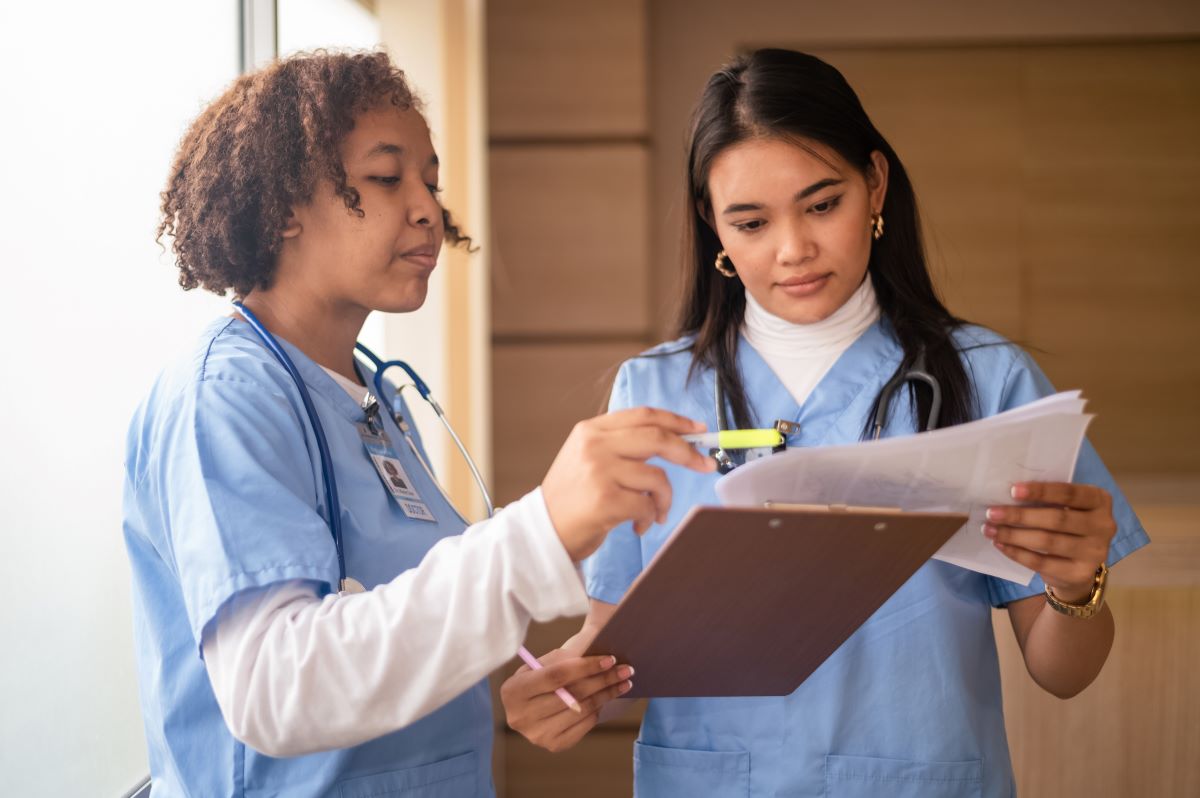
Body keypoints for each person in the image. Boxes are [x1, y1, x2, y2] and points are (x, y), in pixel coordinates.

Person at [501, 48, 1149, 797]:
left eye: (821, 204)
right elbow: (610, 643)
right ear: (714, 226)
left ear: (874, 184)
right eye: (750, 222)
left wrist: (1076, 585)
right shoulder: (651, 391)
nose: (793, 249)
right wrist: (561, 688)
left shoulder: (988, 378)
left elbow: (1061, 671)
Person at [123, 50, 713, 797]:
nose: (429, 208)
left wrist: (532, 673)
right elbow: (274, 688)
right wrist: (541, 531)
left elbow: (399, 622)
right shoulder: (225, 397)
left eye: (431, 181)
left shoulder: (374, 399)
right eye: (386, 177)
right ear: (282, 207)